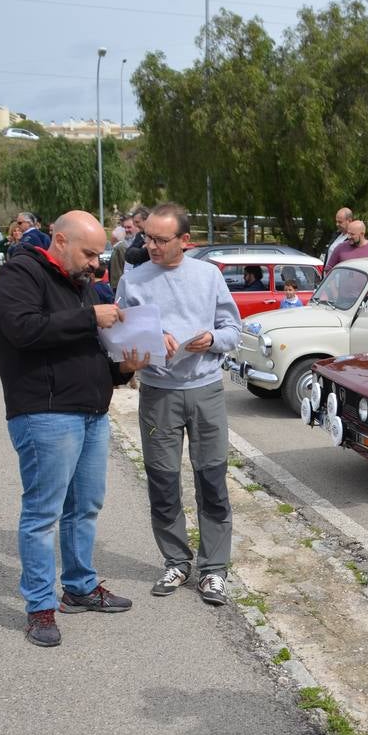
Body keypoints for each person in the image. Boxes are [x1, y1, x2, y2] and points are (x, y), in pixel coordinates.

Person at [0, 210, 149, 647]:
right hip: (45, 412)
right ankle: (40, 606)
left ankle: (79, 587)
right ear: (59, 240)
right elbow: (23, 331)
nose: (96, 263)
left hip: (91, 411)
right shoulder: (18, 275)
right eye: (89, 253)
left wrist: (122, 370)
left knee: (85, 506)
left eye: (99, 254)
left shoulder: (82, 285)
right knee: (43, 514)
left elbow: (87, 353)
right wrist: (91, 317)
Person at [114, 203, 242, 607]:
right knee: (163, 482)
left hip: (205, 391)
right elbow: (120, 337)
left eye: (159, 239)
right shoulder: (133, 280)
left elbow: (232, 329)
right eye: (146, 237)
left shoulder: (208, 276)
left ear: (185, 241)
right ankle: (175, 560)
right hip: (158, 392)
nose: (149, 245)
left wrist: (212, 340)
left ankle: (214, 570)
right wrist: (151, 337)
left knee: (212, 481)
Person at [108, 206, 149, 291]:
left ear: (147, 220)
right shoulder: (139, 237)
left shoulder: (151, 237)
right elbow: (129, 254)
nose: (136, 225)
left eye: (137, 222)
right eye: (124, 227)